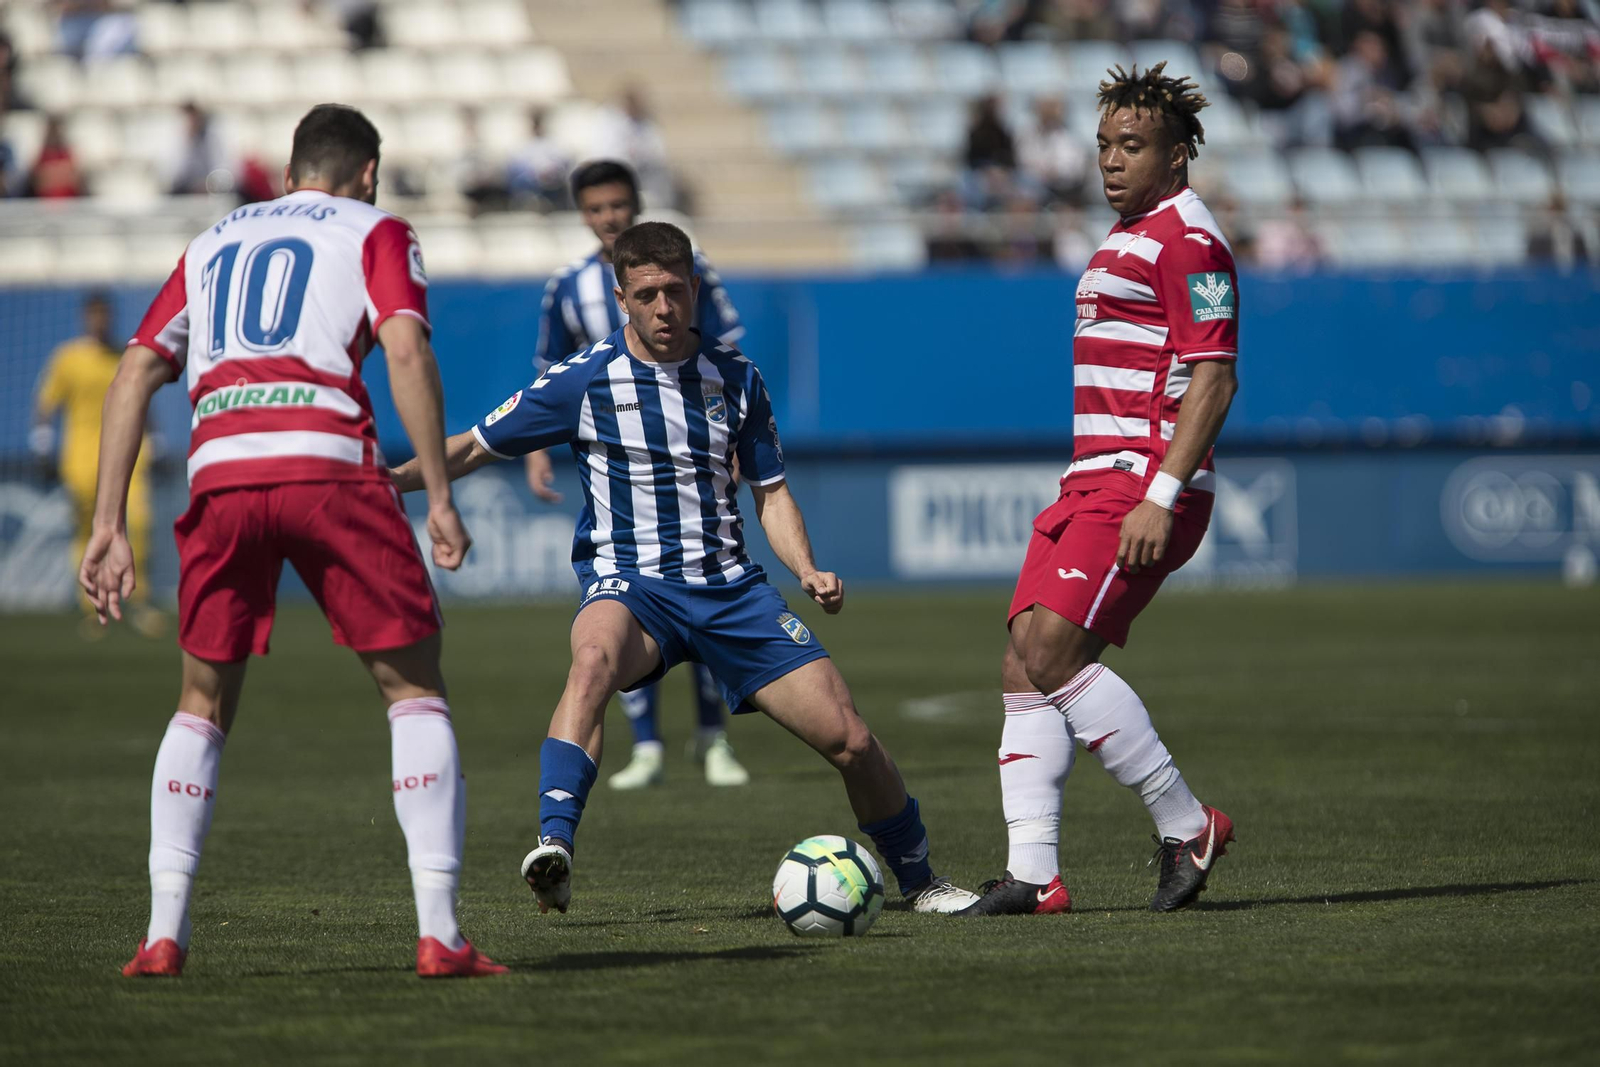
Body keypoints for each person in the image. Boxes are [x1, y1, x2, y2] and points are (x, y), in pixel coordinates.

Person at [390, 221, 980, 918]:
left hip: (731, 591)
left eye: (675, 291)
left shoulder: (738, 379)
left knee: (849, 737)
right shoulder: (583, 380)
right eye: (647, 295)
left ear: (696, 288)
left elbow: (772, 491)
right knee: (591, 661)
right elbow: (472, 448)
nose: (664, 308)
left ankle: (921, 879)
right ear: (621, 298)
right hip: (632, 586)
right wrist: (387, 482)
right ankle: (555, 846)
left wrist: (808, 567)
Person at [81, 104, 504, 979]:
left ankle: (163, 933)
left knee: (200, 701)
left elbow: (136, 369)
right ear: (369, 173)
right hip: (326, 462)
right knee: (413, 688)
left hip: (221, 466)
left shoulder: (213, 239)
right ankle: (440, 934)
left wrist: (107, 523)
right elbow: (404, 349)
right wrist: (440, 489)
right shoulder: (377, 227)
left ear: (287, 174)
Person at [960, 63, 1239, 917]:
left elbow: (1215, 379)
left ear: (1178, 155)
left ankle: (1186, 822)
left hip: (1138, 485)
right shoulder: (1128, 235)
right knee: (1022, 661)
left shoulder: (1191, 241)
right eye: (1104, 146)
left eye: (1133, 146)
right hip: (1092, 480)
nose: (1111, 162)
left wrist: (1162, 492)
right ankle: (1035, 874)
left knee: (1049, 652)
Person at [530, 159, 751, 792]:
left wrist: (730, 436)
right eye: (597, 209)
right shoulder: (567, 285)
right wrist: (538, 449)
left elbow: (729, 347)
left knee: (706, 584)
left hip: (690, 458)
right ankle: (648, 745)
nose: (609, 218)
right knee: (622, 599)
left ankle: (713, 740)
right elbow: (546, 373)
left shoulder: (686, 266)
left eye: (618, 206)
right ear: (584, 215)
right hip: (614, 459)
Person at [33, 291, 165, 639]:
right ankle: (93, 605)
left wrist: (157, 439)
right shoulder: (68, 358)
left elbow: (139, 397)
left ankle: (138, 601)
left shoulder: (125, 354)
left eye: (105, 314)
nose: (100, 321)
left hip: (127, 456)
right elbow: (46, 403)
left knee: (138, 521)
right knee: (87, 531)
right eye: (94, 315)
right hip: (81, 458)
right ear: (85, 317)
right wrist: (43, 444)